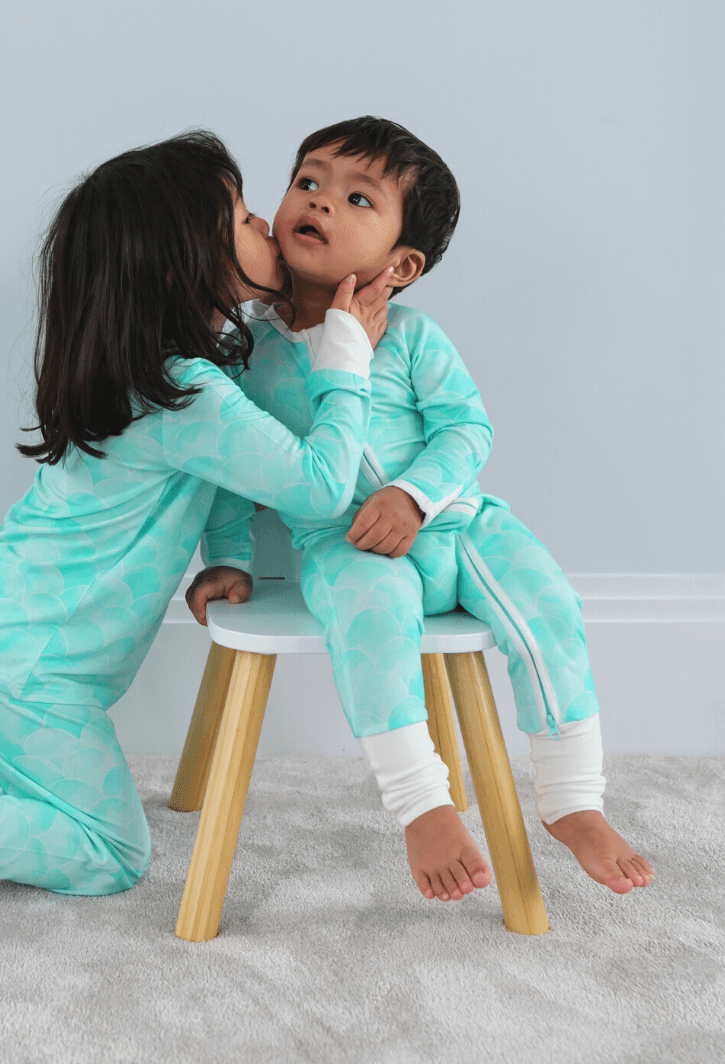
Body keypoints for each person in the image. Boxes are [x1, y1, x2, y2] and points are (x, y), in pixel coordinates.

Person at [0, 130, 394, 893]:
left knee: (42, 779)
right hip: (28, 661)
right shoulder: (191, 397)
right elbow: (320, 484)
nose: (266, 224)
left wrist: (228, 555)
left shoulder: (151, 378)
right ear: (184, 265)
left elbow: (228, 479)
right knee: (110, 849)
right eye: (241, 217)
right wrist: (347, 357)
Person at [187, 117, 654, 904]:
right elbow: (233, 469)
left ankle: (574, 799)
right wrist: (228, 556)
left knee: (548, 603)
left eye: (357, 198)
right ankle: (422, 806)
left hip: (461, 525)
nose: (320, 202)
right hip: (344, 545)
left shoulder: (409, 337)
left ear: (401, 264)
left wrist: (414, 495)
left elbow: (466, 430)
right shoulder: (247, 355)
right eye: (308, 181)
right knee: (369, 628)